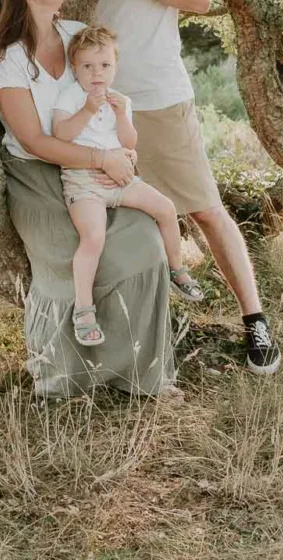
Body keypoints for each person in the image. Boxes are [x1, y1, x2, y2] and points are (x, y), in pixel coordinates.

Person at [56, 0, 282, 375]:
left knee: (203, 209)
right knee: (111, 225)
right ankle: (135, 342)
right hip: (98, 114)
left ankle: (255, 321)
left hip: (156, 99)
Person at [0, 0, 176, 396]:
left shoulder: (76, 36)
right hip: (36, 173)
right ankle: (65, 377)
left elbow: (107, 98)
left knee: (145, 241)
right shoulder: (9, 59)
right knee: (66, 250)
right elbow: (33, 140)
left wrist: (118, 152)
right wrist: (99, 160)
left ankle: (140, 372)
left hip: (97, 166)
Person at [51, 25, 205, 346]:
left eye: (105, 66)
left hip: (121, 178)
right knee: (92, 237)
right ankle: (83, 308)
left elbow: (130, 141)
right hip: (84, 182)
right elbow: (61, 135)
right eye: (87, 66)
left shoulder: (121, 100)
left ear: (115, 68)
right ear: (75, 69)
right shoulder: (70, 96)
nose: (97, 74)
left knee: (166, 208)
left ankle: (176, 268)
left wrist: (121, 116)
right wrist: (88, 110)